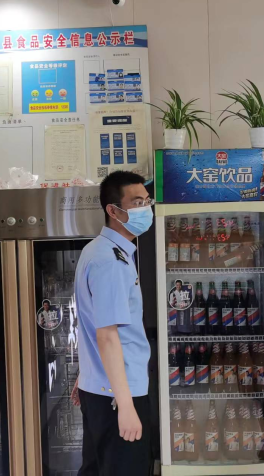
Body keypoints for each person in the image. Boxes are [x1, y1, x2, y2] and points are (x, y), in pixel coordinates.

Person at [70, 171, 153, 476]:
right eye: (137, 202)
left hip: (103, 389)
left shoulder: (99, 250)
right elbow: (106, 335)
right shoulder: (111, 261)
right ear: (113, 211)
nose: (146, 209)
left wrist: (87, 375)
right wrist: (126, 406)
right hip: (118, 394)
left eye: (147, 201)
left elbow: (92, 323)